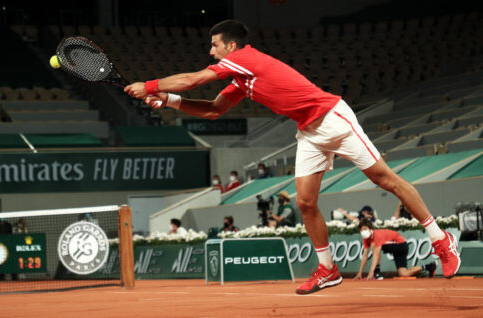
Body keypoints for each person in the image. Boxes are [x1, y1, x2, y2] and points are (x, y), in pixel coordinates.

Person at [124, 19, 460, 294]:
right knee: (306, 202)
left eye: (214, 44)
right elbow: (214, 110)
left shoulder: (246, 58)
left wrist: (150, 85)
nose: (210, 50)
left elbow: (196, 79)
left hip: (332, 117)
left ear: (231, 46)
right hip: (309, 133)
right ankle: (328, 269)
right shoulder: (242, 77)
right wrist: (168, 101)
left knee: (383, 179)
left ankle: (440, 239)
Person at [354, 219, 438, 280]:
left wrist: (371, 272)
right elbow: (364, 255)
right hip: (399, 248)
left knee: (374, 246)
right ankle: (430, 266)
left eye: (365, 229)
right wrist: (360, 273)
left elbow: (376, 255)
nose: (363, 231)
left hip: (400, 245)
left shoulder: (377, 235)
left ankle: (377, 272)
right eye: (361, 230)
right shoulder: (365, 238)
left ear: (371, 229)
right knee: (404, 274)